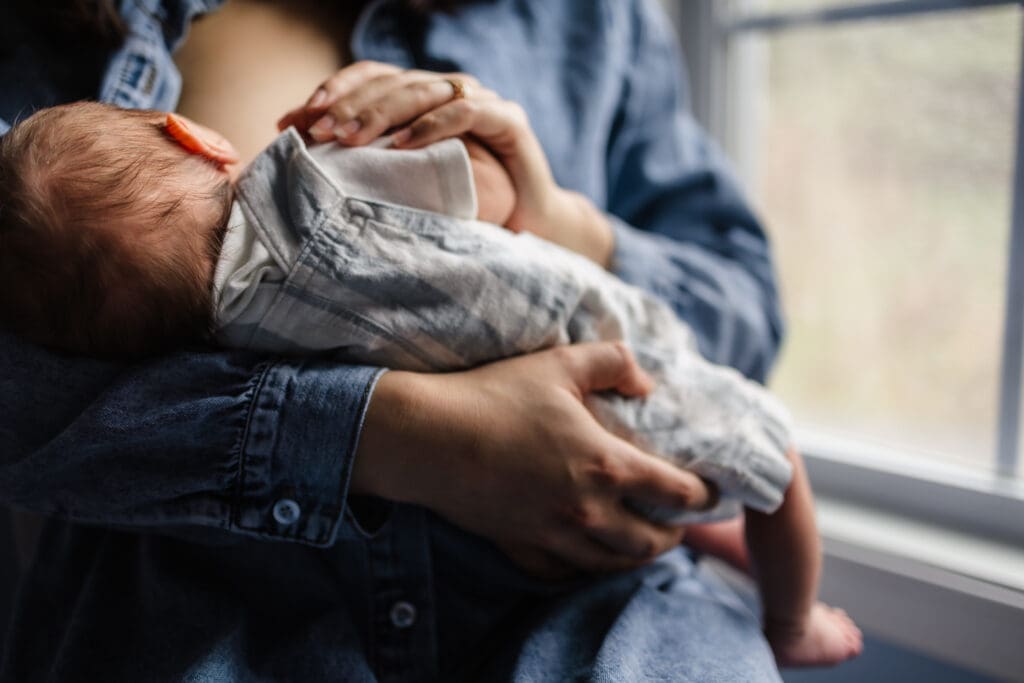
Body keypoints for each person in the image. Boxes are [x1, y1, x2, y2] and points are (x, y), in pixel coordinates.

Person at [0, 0, 817, 680]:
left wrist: (569, 221)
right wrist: (393, 433)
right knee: (757, 463)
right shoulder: (304, 176)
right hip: (209, 615)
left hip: (597, 599)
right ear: (199, 139)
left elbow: (743, 312)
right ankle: (788, 605)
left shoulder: (591, 17)